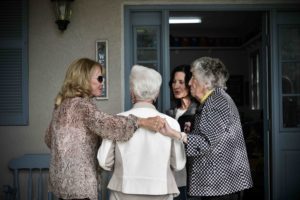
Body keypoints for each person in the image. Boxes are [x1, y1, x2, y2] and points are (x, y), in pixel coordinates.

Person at [44, 58, 165, 200]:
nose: (102, 83)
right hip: (80, 186)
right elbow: (109, 125)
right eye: (99, 78)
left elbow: (48, 139)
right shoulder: (82, 106)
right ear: (84, 79)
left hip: (62, 186)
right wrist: (141, 121)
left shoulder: (61, 106)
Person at [160, 57, 253, 200]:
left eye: (193, 78)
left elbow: (205, 142)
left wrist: (174, 134)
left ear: (207, 82)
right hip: (219, 185)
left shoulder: (215, 102)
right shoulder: (214, 100)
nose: (189, 82)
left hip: (221, 185)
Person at [97, 64, 186, 200]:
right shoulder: (171, 123)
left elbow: (104, 162)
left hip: (123, 190)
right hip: (161, 191)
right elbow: (178, 164)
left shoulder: (117, 120)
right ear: (156, 94)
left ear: (132, 92)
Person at [166, 64, 199, 200]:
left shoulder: (199, 112)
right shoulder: (169, 114)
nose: (176, 86)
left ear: (190, 83)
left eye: (181, 82)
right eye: (174, 82)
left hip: (194, 177)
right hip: (173, 176)